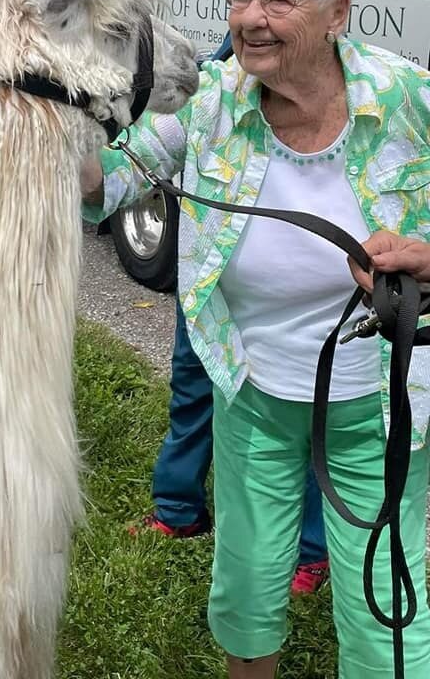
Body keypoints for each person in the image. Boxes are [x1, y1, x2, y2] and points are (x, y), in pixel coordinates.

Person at [82, 0, 430, 678]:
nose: (248, 19)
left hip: (379, 402)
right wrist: (33, 101)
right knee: (245, 583)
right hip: (253, 390)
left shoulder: (409, 98)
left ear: (338, 14)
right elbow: (104, 178)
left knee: (384, 605)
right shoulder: (211, 103)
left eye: (278, 0)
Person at [135, 33, 330, 597]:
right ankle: (178, 510)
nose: (254, 16)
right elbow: (132, 159)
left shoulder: (352, 88)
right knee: (192, 389)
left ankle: (310, 551)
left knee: (304, 416)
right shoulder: (220, 72)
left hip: (294, 304)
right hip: (210, 282)